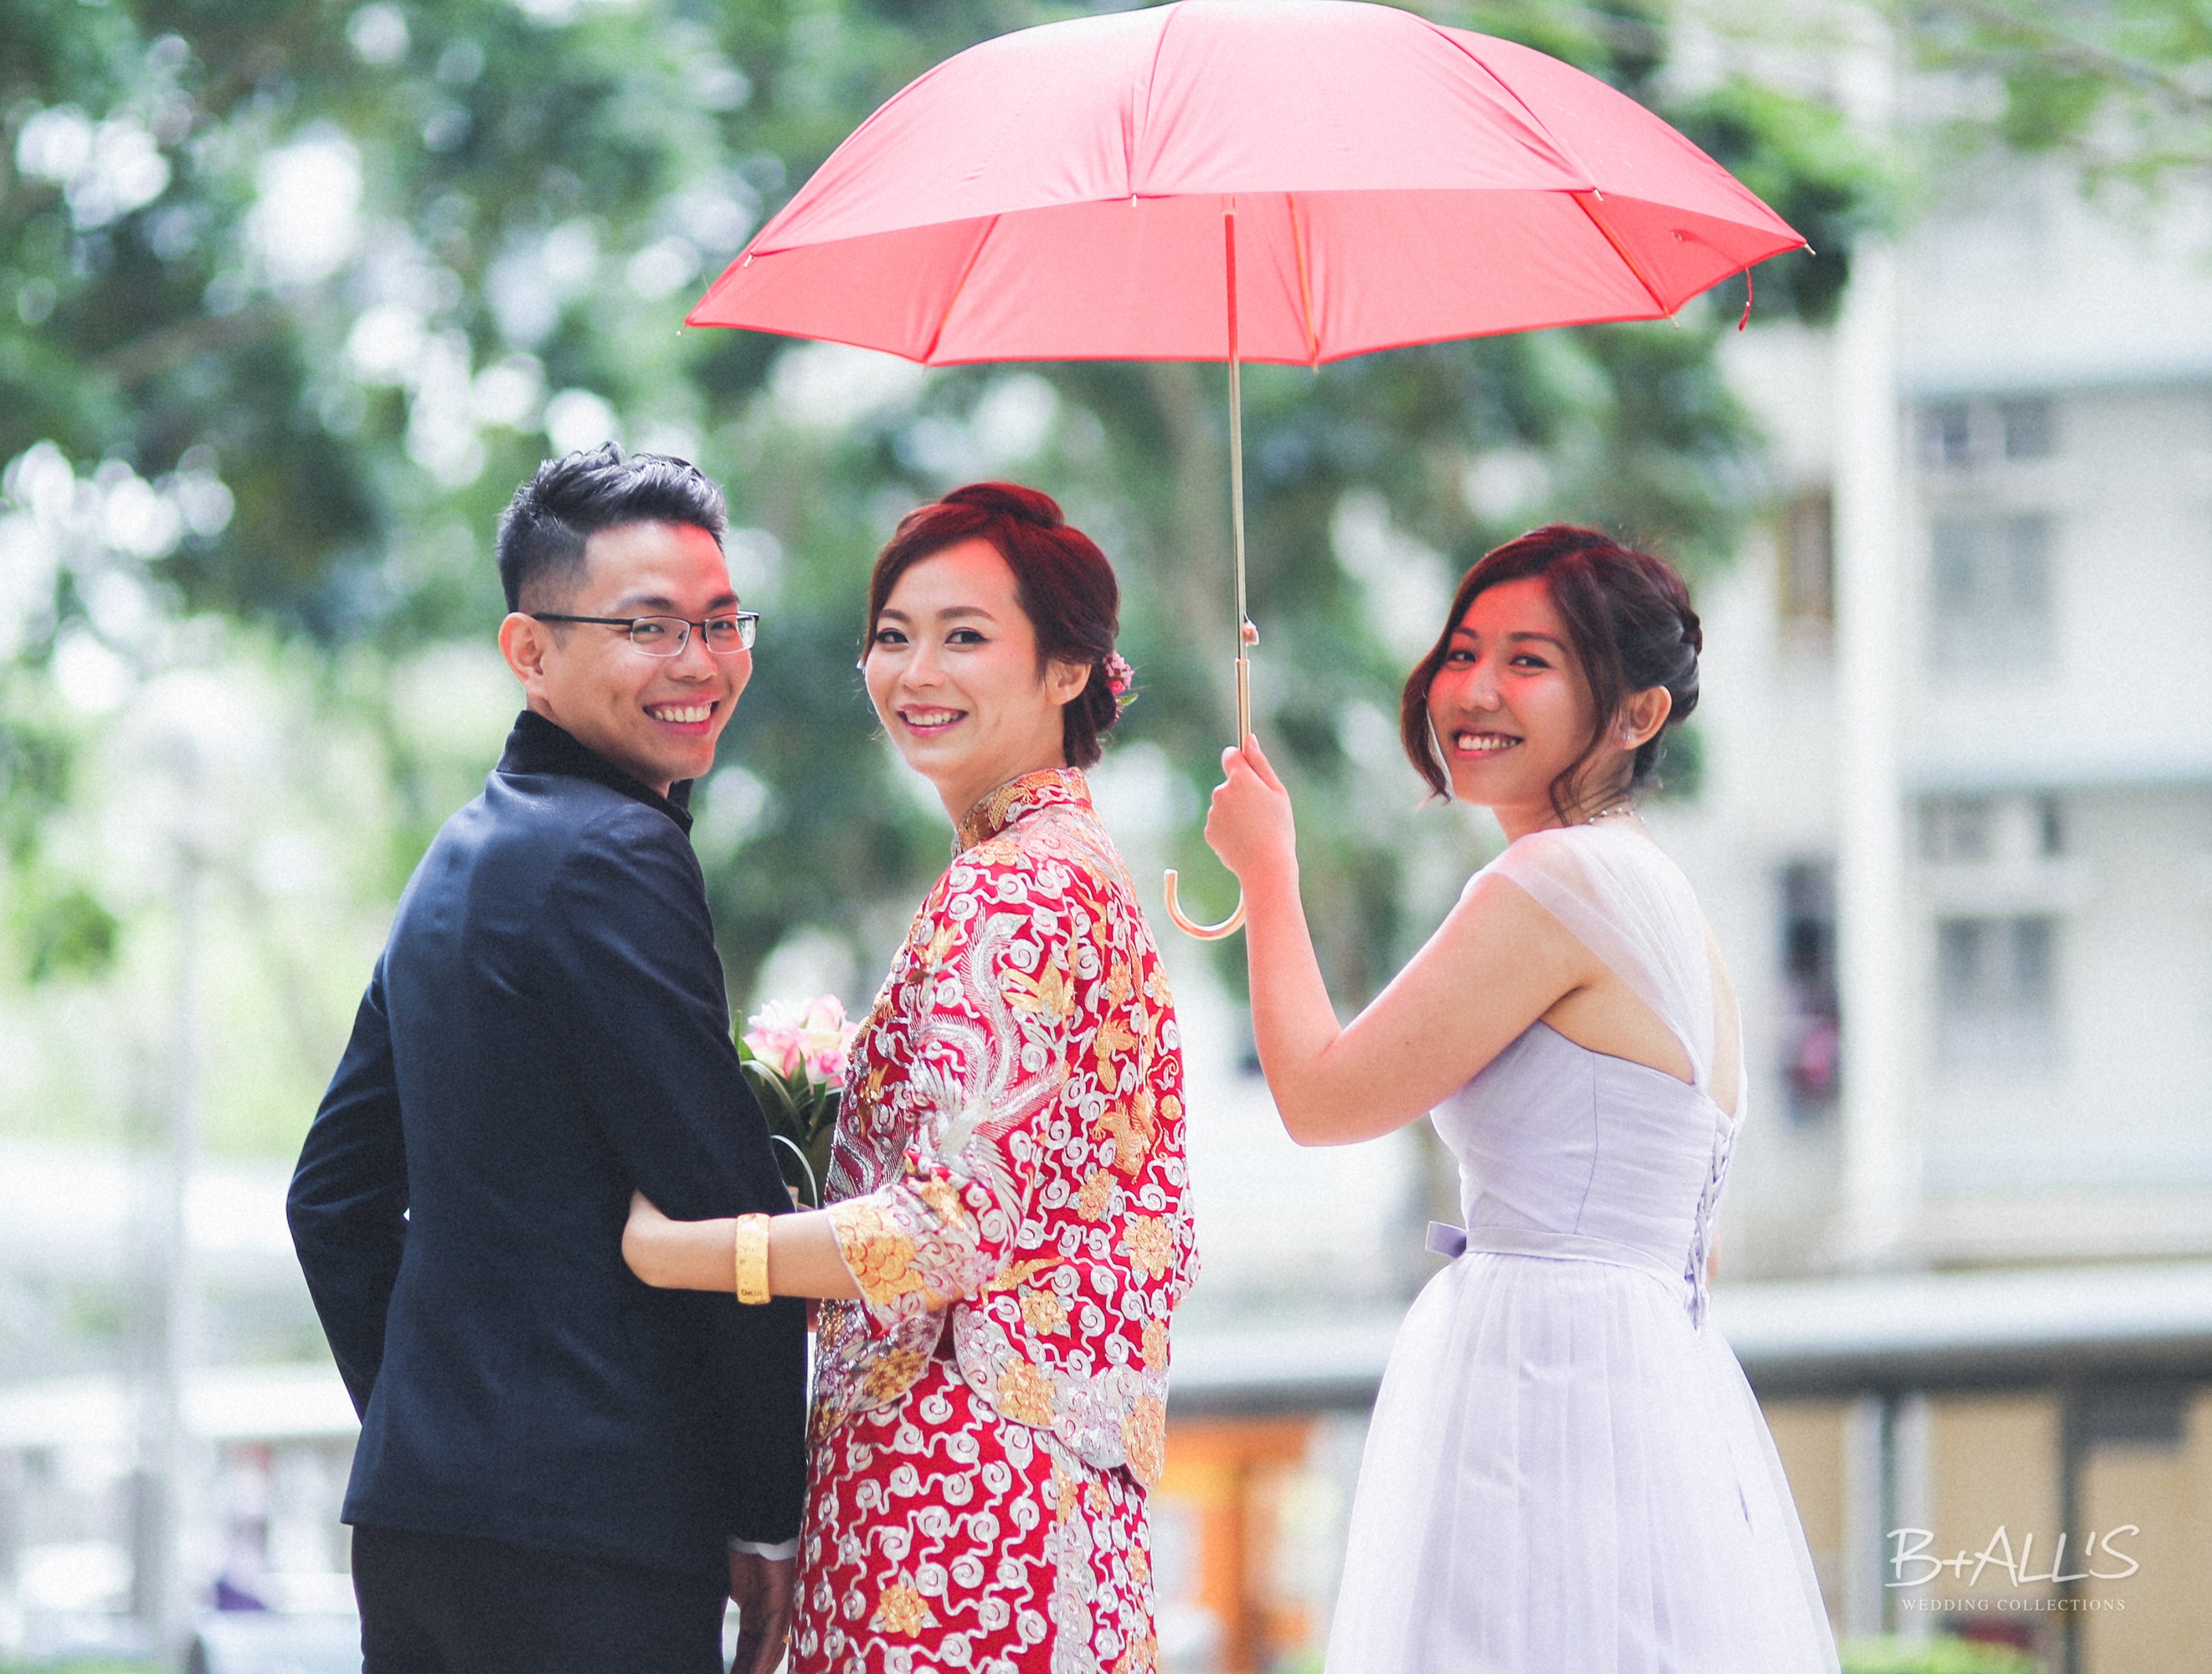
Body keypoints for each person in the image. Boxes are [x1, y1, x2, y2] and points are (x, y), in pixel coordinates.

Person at [1203, 526, 1839, 1671]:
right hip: (1650, 1374)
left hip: (1548, 1380)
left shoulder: (1554, 879)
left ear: (1637, 714)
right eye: (1462, 652)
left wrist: (1267, 874)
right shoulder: (1652, 886)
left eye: (1529, 661)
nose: (1475, 690)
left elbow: (1322, 1097)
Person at [622, 482, 1196, 1671]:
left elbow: (945, 1231)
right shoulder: (1060, 864)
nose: (917, 672)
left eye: (965, 636)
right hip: (1017, 1496)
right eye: (894, 635)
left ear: (1070, 669)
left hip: (957, 1511)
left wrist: (678, 1252)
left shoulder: (1018, 888)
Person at [287, 444, 806, 1674]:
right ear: (529, 651)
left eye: (721, 622)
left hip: (419, 1533)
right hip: (590, 1547)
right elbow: (719, 1204)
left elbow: (330, 1201)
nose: (700, 662)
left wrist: (443, 1435)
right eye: (649, 626)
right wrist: (764, 1513)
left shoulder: (460, 853)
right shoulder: (619, 851)